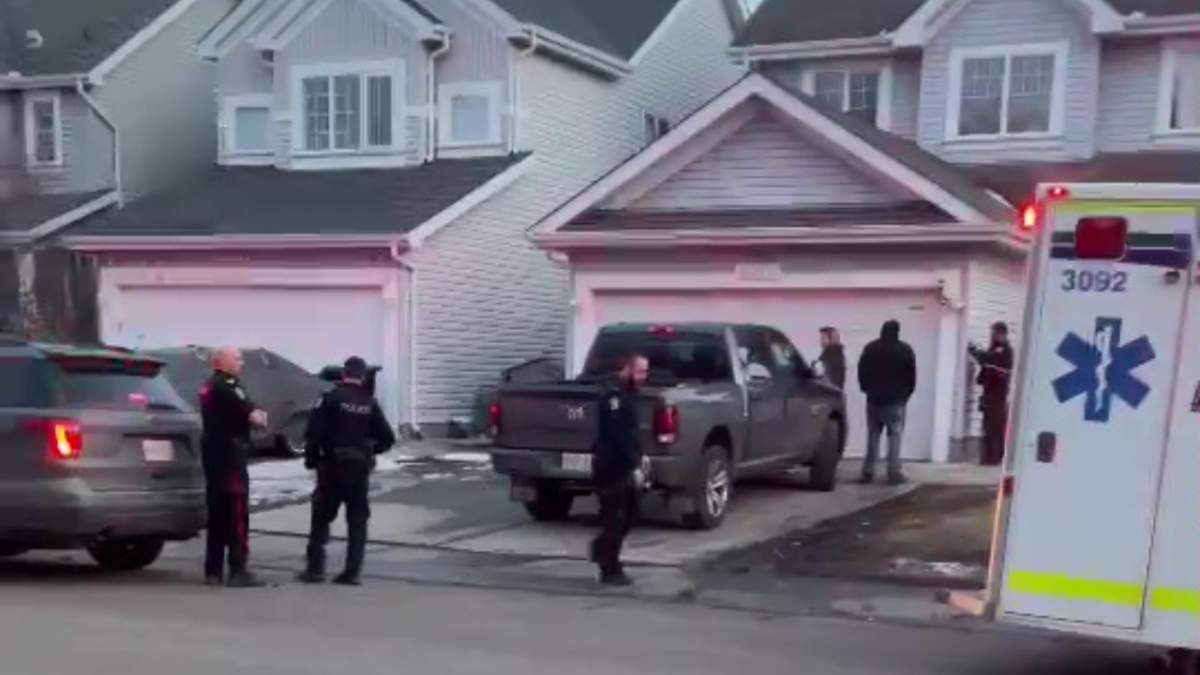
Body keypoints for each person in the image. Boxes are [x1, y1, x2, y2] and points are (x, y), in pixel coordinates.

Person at [299, 356, 396, 586]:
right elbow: (387, 438)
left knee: (321, 516)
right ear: (362, 377)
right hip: (359, 467)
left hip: (332, 465)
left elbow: (314, 432)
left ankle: (315, 569)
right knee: (358, 519)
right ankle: (352, 572)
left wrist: (312, 459)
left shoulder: (330, 398)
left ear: (343, 374)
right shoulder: (369, 403)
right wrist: (371, 452)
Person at [200, 346, 269, 587]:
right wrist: (259, 416)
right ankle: (239, 569)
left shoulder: (209, 385)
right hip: (231, 457)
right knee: (237, 513)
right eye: (238, 359)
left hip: (213, 457)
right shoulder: (229, 385)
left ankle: (213, 570)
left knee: (217, 514)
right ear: (222, 362)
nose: (242, 363)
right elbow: (254, 416)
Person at [589, 353, 650, 586]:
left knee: (632, 515)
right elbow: (618, 436)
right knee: (614, 518)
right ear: (627, 369)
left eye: (645, 371)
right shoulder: (613, 395)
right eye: (640, 371)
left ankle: (601, 550)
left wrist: (641, 456)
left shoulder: (631, 393)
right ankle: (609, 567)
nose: (643, 376)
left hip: (626, 464)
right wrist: (633, 463)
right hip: (611, 467)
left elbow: (633, 432)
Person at [857, 320, 917, 485]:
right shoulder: (905, 350)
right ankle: (893, 473)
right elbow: (911, 376)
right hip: (896, 400)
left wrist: (865, 388)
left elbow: (861, 370)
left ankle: (868, 471)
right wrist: (906, 394)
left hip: (874, 399)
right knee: (895, 435)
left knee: (873, 435)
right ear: (897, 332)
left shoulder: (870, 348)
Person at [969, 322, 1014, 466]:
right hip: (989, 393)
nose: (992, 335)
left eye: (994, 333)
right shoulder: (994, 349)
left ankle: (995, 457)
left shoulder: (1005, 350)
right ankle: (987, 457)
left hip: (998, 395)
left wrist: (983, 359)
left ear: (1001, 334)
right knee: (987, 426)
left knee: (995, 427)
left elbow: (992, 362)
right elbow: (986, 360)